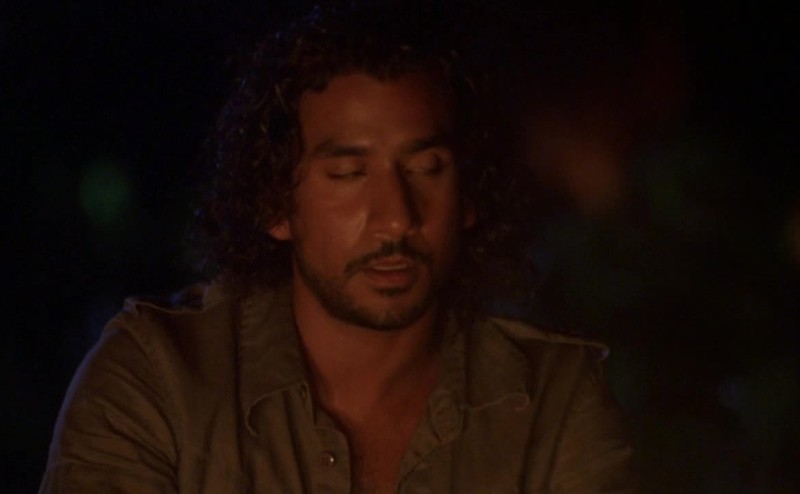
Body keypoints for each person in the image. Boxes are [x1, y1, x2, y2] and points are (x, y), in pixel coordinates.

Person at [40, 4, 636, 493]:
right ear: (277, 204)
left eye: (427, 168)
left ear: (469, 195)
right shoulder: (159, 380)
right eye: (349, 174)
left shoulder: (553, 403)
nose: (396, 217)